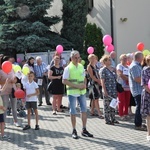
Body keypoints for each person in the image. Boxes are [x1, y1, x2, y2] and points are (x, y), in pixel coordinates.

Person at [62, 50, 93, 139]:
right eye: (75, 58)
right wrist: (77, 86)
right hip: (72, 92)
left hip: (81, 92)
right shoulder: (68, 68)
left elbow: (84, 78)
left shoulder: (81, 66)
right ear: (71, 58)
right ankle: (74, 130)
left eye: (78, 57)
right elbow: (64, 80)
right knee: (73, 111)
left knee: (84, 110)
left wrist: (85, 85)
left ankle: (84, 129)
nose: (77, 59)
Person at [0, 55, 20, 127]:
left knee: (14, 107)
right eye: (8, 61)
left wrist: (14, 80)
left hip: (13, 89)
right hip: (4, 90)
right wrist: (6, 82)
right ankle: (3, 123)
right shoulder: (0, 71)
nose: (10, 62)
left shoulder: (12, 69)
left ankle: (16, 121)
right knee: (4, 107)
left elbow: (15, 78)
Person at [128, 51, 146, 131]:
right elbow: (137, 78)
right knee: (139, 107)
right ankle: (138, 125)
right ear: (139, 57)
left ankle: (139, 123)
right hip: (138, 90)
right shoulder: (134, 66)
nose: (143, 58)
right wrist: (146, 82)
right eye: (142, 57)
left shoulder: (137, 65)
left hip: (140, 90)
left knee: (140, 107)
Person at [99, 55, 119, 125]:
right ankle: (107, 119)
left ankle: (113, 118)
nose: (110, 61)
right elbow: (102, 81)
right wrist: (104, 90)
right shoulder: (103, 70)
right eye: (108, 60)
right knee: (107, 106)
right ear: (105, 61)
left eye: (110, 60)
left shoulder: (112, 69)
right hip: (107, 89)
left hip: (113, 89)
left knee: (113, 105)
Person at [87, 54, 103, 118]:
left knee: (94, 99)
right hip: (92, 84)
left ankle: (92, 111)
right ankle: (99, 112)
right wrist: (98, 81)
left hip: (96, 83)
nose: (94, 59)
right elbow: (92, 76)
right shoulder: (89, 66)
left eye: (94, 58)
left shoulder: (95, 66)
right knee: (96, 98)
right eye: (92, 58)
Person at [116, 54, 131, 120]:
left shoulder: (128, 67)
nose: (125, 60)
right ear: (120, 60)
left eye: (126, 58)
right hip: (121, 86)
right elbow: (120, 74)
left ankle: (126, 113)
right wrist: (128, 79)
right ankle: (121, 114)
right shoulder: (119, 66)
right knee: (121, 101)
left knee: (127, 101)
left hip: (128, 87)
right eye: (123, 58)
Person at [141, 55, 150, 140]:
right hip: (148, 94)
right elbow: (144, 84)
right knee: (149, 115)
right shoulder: (145, 70)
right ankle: (148, 133)